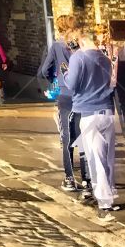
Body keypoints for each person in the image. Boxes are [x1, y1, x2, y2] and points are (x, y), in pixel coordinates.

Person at [66, 26, 118, 225]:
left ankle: (105, 204)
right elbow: (109, 83)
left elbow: (71, 85)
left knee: (95, 159)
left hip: (89, 113)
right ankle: (110, 193)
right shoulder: (104, 58)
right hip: (107, 111)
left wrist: (65, 74)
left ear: (80, 41)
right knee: (108, 158)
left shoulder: (78, 58)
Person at [37, 14, 90, 194]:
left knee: (67, 136)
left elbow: (45, 70)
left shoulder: (57, 46)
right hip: (83, 93)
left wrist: (56, 78)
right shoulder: (82, 46)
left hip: (66, 95)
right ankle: (87, 179)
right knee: (83, 134)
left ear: (59, 29)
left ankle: (69, 178)